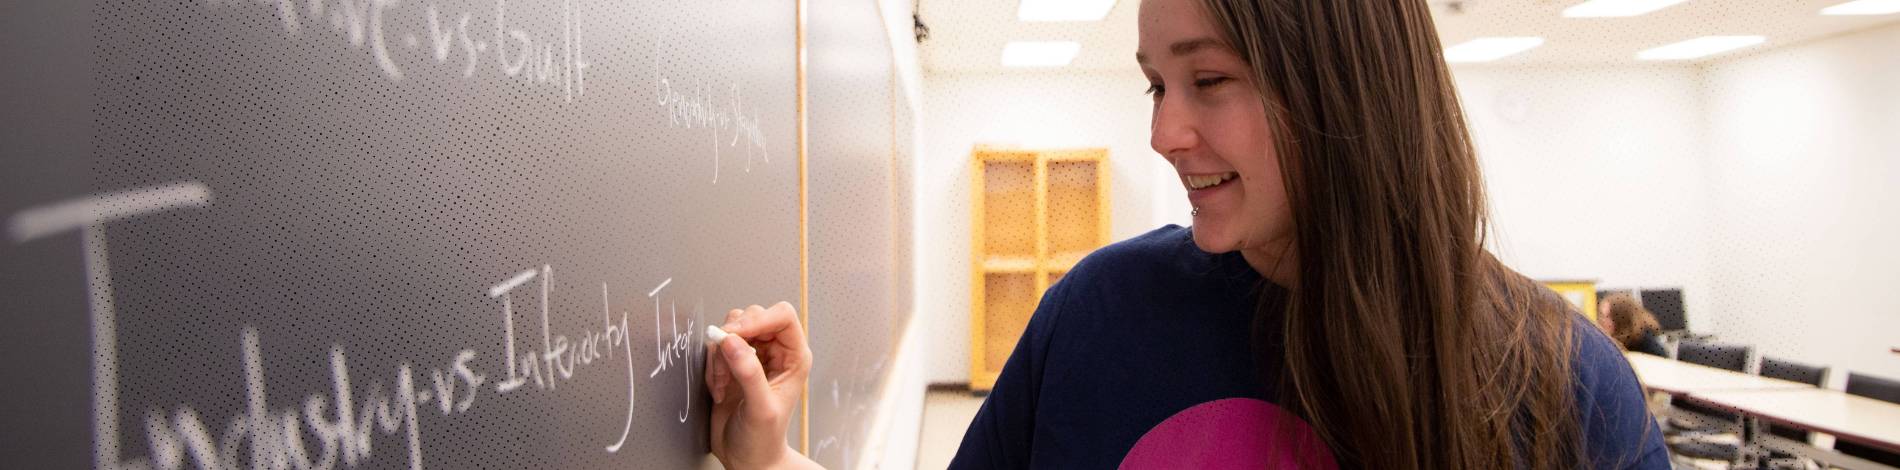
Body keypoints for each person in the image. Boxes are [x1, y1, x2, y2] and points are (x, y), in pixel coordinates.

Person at [703, 0, 1669, 468]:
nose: (1164, 133)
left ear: (1346, 87)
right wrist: (769, 454)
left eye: (1208, 80)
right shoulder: (1097, 312)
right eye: (1155, 84)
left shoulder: (1564, 385)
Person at [1599, 292, 1670, 358]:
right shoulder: (1610, 343)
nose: (1602, 321)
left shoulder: (1647, 349)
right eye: (1602, 315)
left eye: (1608, 317)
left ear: (1622, 320)